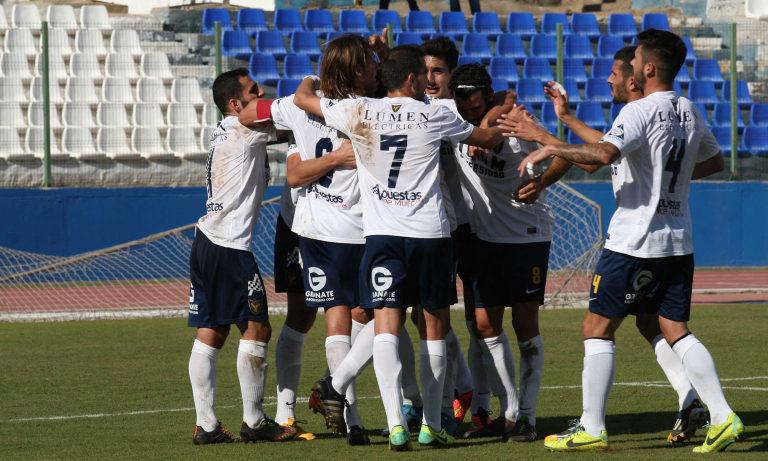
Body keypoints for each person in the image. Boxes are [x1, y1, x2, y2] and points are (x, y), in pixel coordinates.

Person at [503, 29, 741, 453]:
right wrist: (670, 187)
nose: (626, 71)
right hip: (677, 240)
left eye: (632, 64)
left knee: (596, 327)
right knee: (673, 328)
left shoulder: (638, 111)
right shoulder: (689, 109)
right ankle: (720, 415)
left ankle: (592, 427)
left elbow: (602, 156)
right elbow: (716, 160)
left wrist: (545, 140)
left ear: (647, 68)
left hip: (634, 241)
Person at [294, 44, 514, 450]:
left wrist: (312, 80)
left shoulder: (356, 110)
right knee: (434, 330)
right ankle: (432, 424)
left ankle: (396, 426)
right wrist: (504, 119)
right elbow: (487, 137)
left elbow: (303, 98)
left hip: (380, 236)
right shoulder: (437, 114)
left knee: (385, 327)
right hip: (430, 235)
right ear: (413, 79)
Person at [441, 63, 571, 442]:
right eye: (462, 106)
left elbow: (563, 153)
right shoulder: (454, 116)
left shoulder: (518, 125)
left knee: (524, 325)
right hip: (483, 237)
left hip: (526, 236)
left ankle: (527, 417)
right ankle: (511, 410)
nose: (467, 114)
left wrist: (542, 181)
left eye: (475, 106)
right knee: (483, 326)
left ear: (487, 97)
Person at [187, 68, 296, 445]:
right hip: (229, 248)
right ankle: (252, 422)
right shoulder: (244, 129)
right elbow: (287, 122)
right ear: (235, 105)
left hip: (207, 241)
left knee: (212, 331)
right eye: (253, 91)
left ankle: (208, 427)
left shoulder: (227, 129)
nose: (261, 92)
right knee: (257, 329)